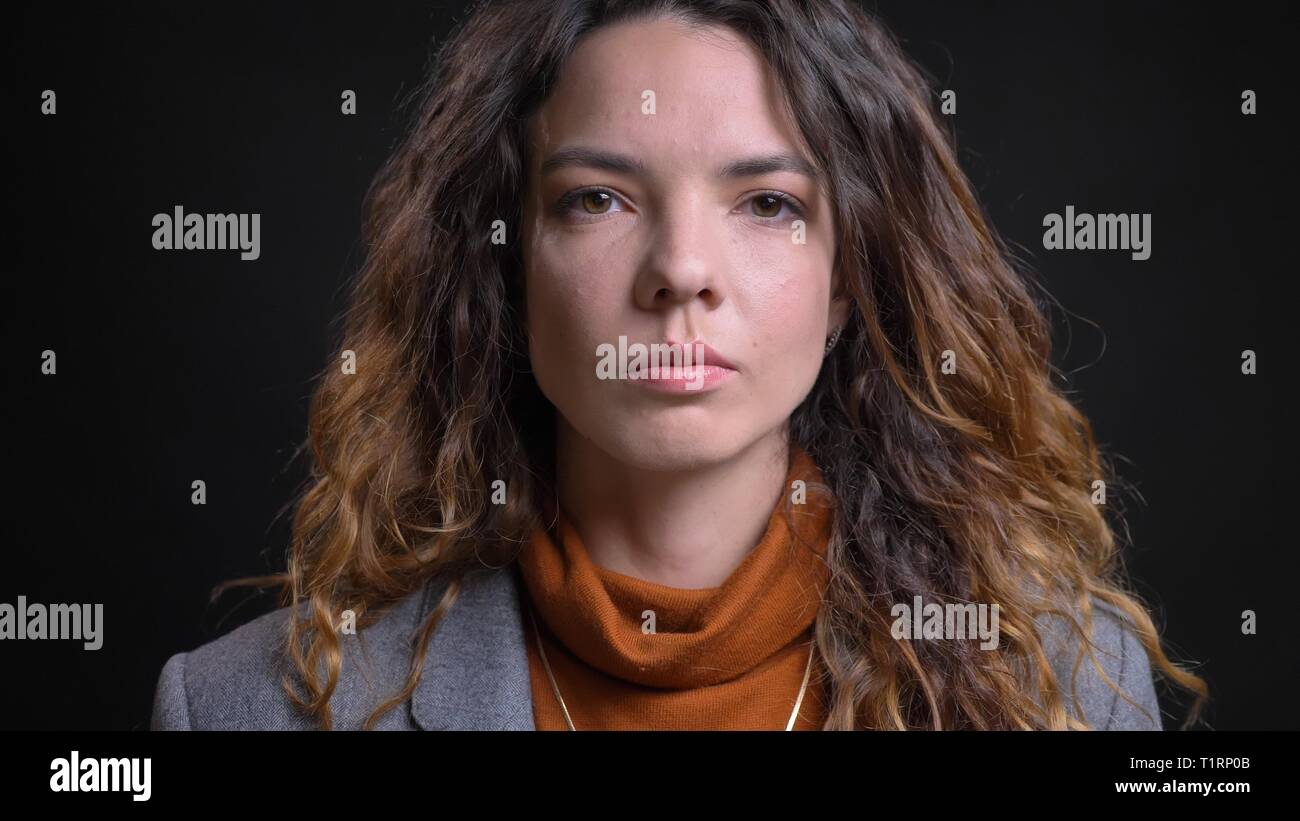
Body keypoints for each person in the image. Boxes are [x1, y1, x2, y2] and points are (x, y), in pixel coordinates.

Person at [151, 0, 1207, 731]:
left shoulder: (1070, 686)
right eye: (597, 197)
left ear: (847, 278)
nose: (680, 271)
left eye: (768, 204)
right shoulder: (249, 706)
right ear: (504, 265)